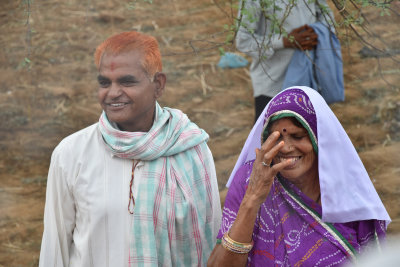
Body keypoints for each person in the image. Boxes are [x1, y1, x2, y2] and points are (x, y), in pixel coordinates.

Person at [39, 31, 221, 267]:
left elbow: (212, 234)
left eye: (126, 81)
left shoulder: (190, 149)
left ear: (158, 84)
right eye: (105, 82)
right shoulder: (71, 154)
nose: (113, 93)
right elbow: (55, 248)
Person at [207, 86, 390, 266]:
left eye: (298, 136)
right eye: (277, 138)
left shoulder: (349, 191)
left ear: (319, 139)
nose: (286, 148)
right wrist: (252, 198)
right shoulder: (250, 179)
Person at [235, 0, 336, 121]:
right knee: (273, 136)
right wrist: (284, 42)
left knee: (310, 135)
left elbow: (328, 20)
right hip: (273, 86)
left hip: (309, 83)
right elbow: (243, 41)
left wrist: (317, 34)